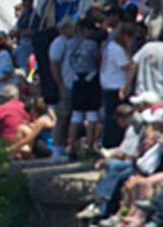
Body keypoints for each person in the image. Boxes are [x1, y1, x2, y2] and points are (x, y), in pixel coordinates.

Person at [123, 23, 163, 100]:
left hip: (141, 94)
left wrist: (126, 86)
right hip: (159, 96)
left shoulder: (147, 46)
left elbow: (133, 65)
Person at [67, 18, 101, 153]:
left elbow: (69, 60)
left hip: (76, 78)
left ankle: (71, 146)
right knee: (92, 114)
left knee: (76, 114)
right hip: (90, 78)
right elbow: (97, 60)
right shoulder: (92, 44)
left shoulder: (71, 44)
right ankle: (90, 145)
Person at [100, 23, 134, 148]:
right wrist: (126, 86)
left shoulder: (110, 47)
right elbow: (129, 67)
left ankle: (110, 143)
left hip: (109, 85)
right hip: (117, 86)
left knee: (111, 117)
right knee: (118, 119)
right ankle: (114, 144)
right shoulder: (117, 49)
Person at [48, 16, 76, 161]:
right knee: (62, 117)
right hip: (65, 83)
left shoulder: (73, 41)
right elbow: (54, 64)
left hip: (75, 83)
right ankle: (57, 150)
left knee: (72, 117)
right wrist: (59, 82)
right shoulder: (59, 42)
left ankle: (67, 147)